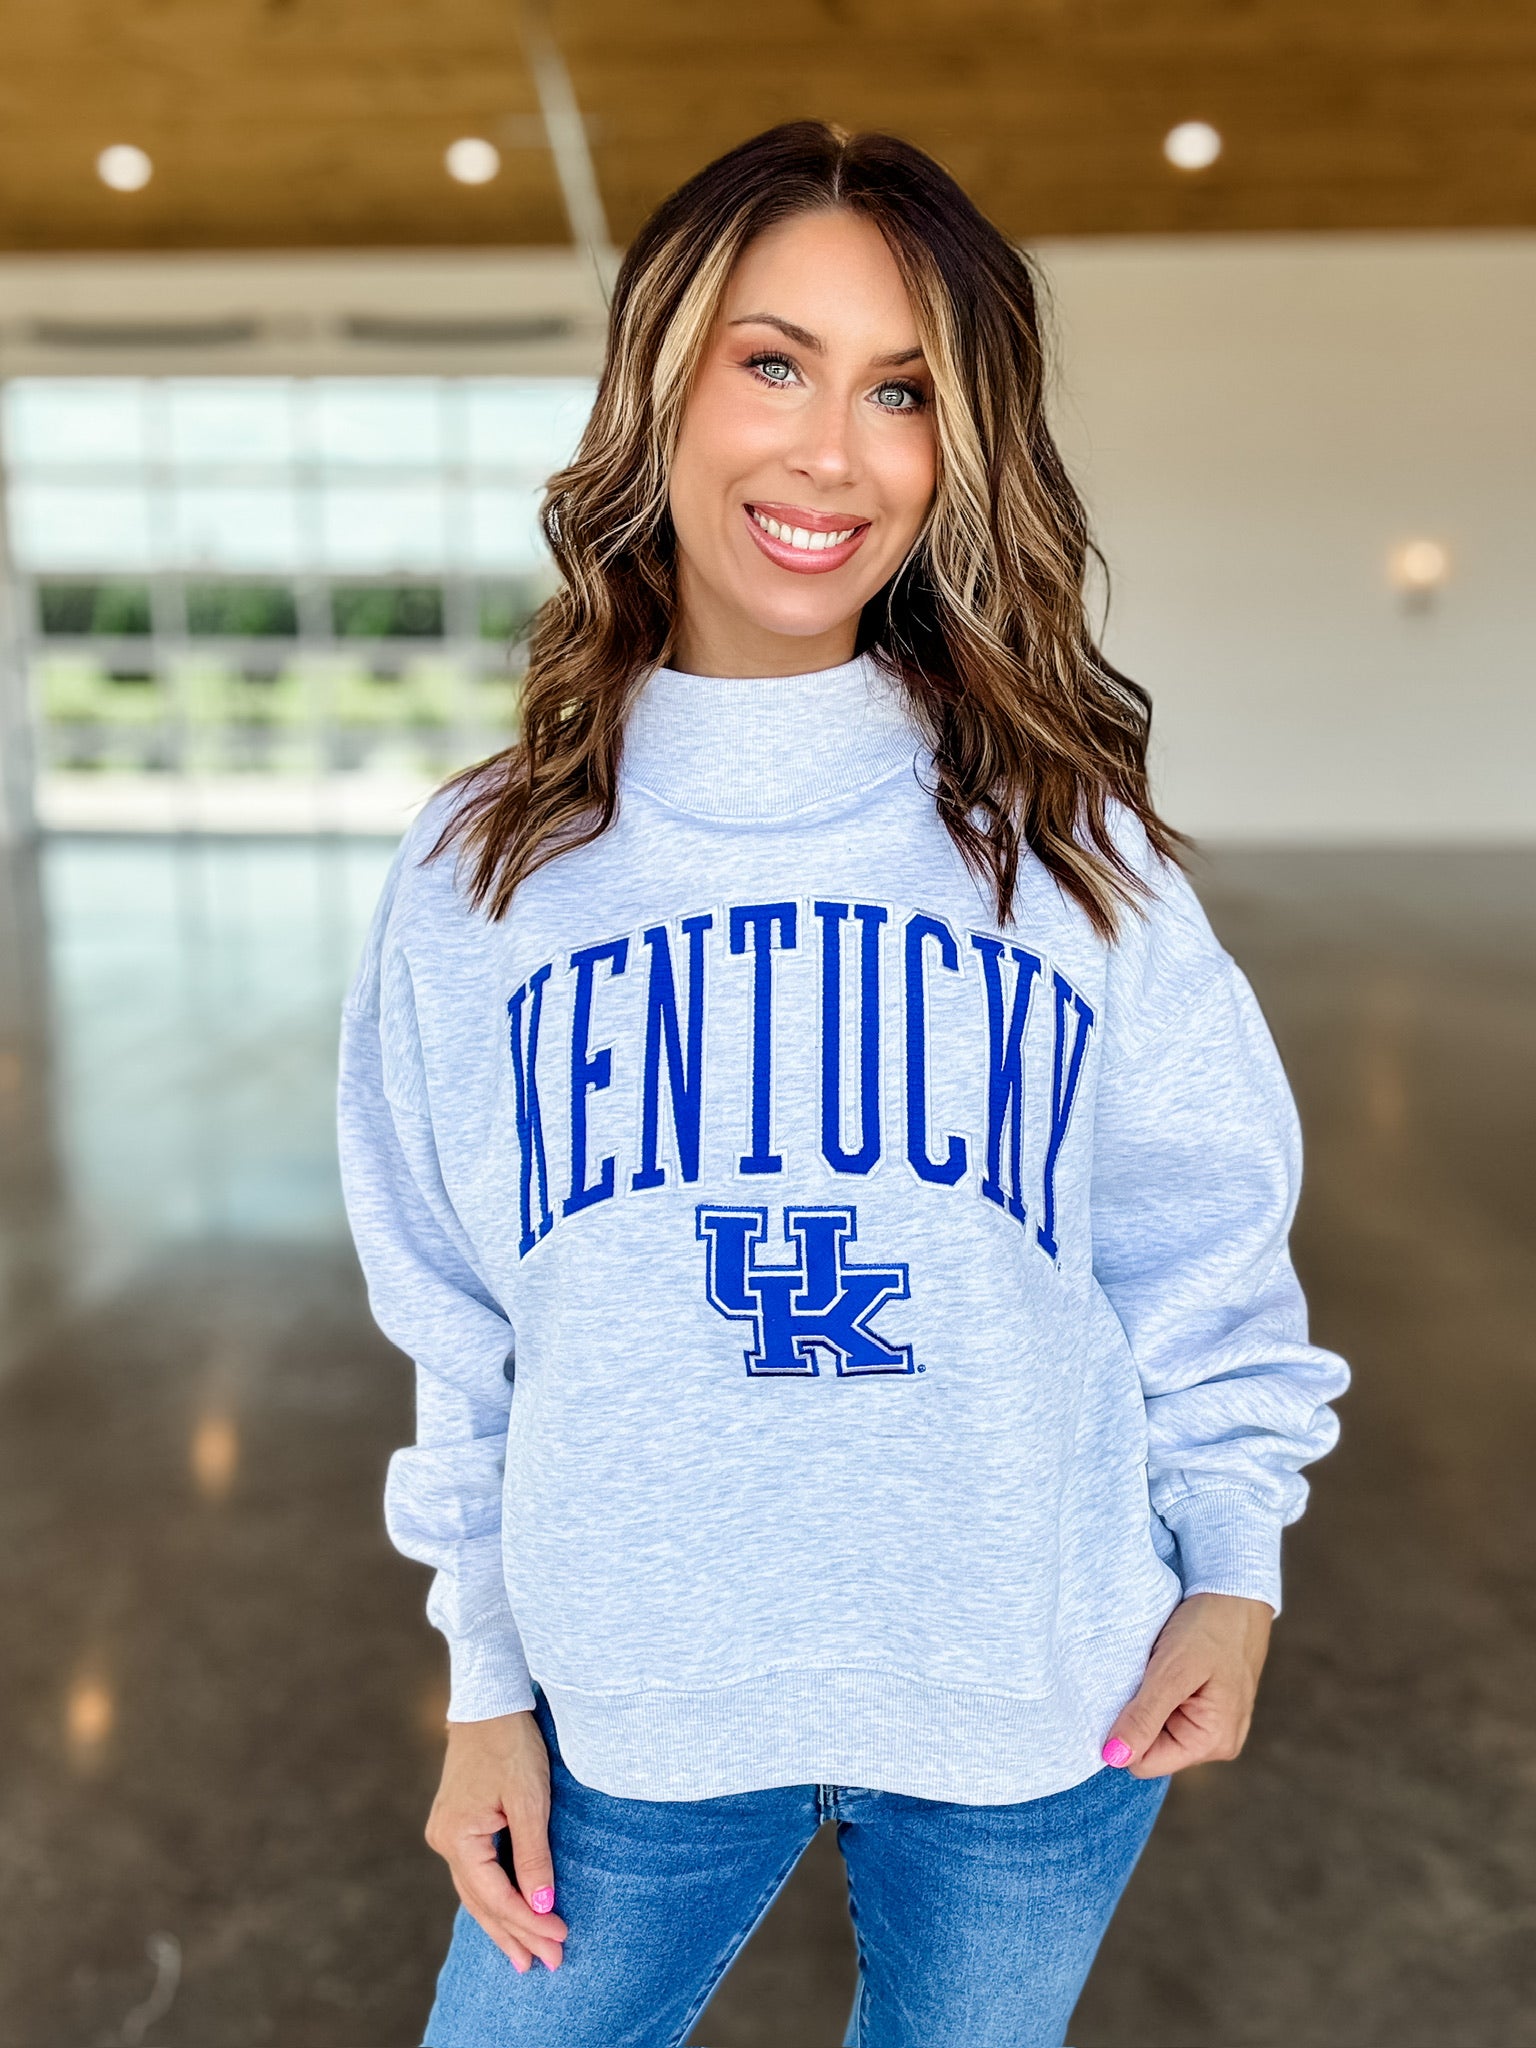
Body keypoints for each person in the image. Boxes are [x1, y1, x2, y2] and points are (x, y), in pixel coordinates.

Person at [338, 121, 1350, 2048]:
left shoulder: (1066, 849)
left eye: (902, 391)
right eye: (773, 363)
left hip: (1032, 1696)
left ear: (959, 454)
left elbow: (1201, 1238)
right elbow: (458, 1314)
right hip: (630, 1700)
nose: (832, 451)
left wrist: (1236, 1568)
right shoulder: (486, 870)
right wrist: (484, 1679)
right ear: (660, 388)